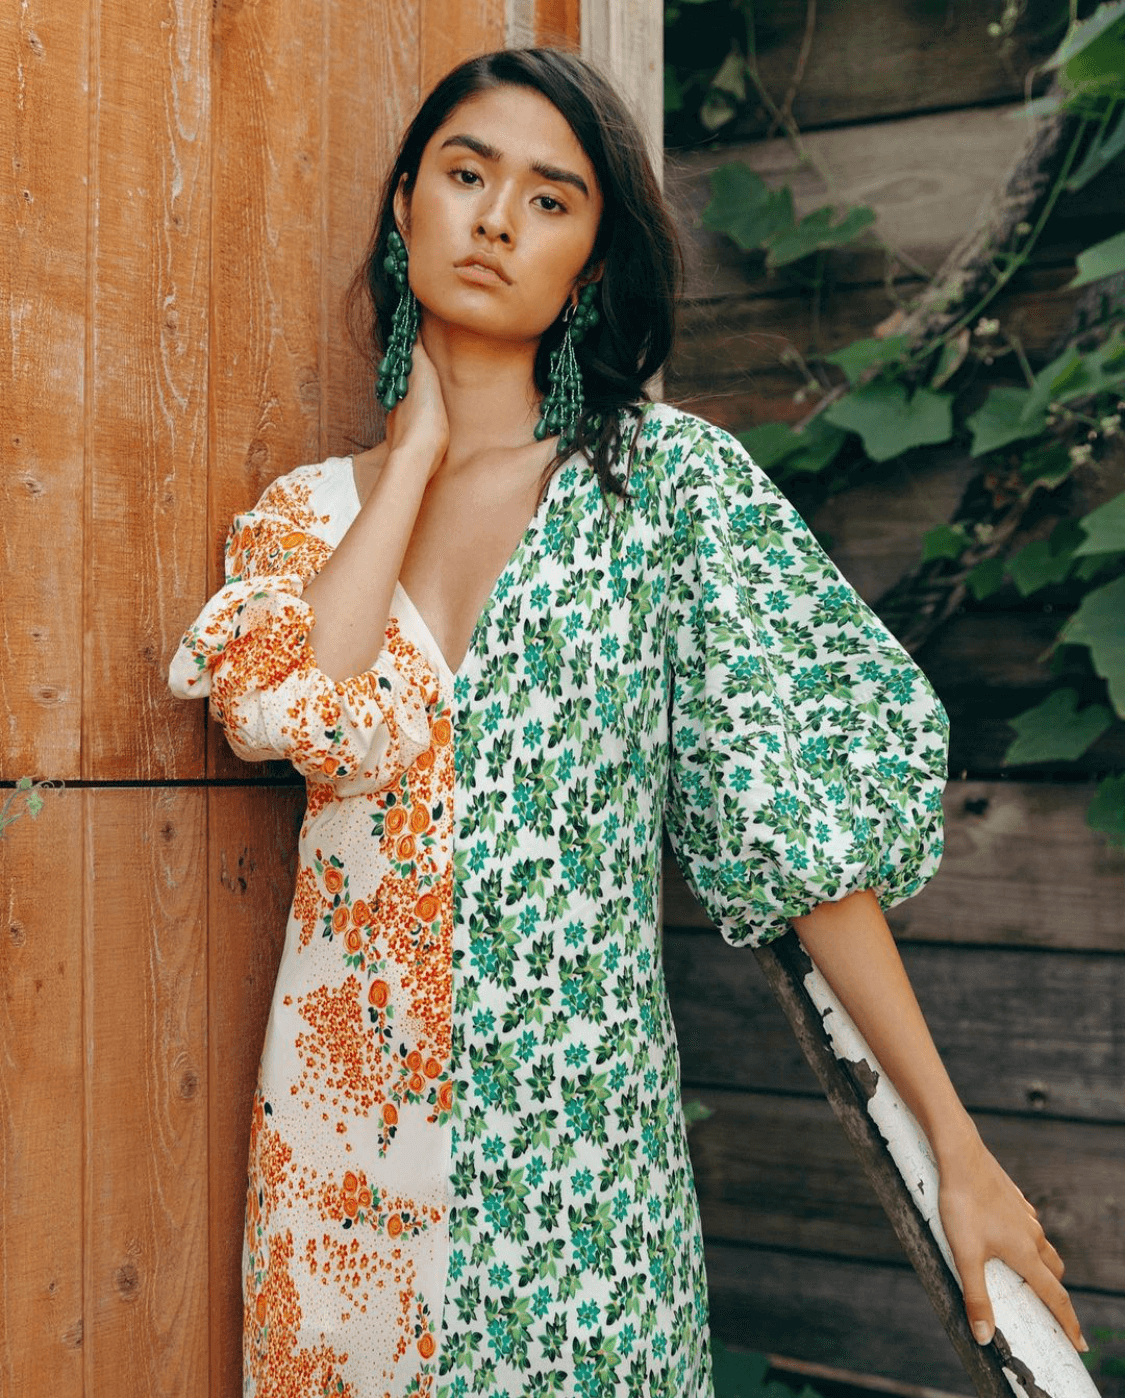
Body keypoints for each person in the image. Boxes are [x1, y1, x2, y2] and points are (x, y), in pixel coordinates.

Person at [168, 45, 1083, 1398]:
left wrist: (957, 1142)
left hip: (580, 1173)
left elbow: (799, 841)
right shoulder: (307, 519)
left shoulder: (667, 489)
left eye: (551, 199)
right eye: (467, 176)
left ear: (592, 266)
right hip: (343, 1162)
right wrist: (411, 457)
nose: (497, 220)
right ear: (405, 204)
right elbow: (294, 709)